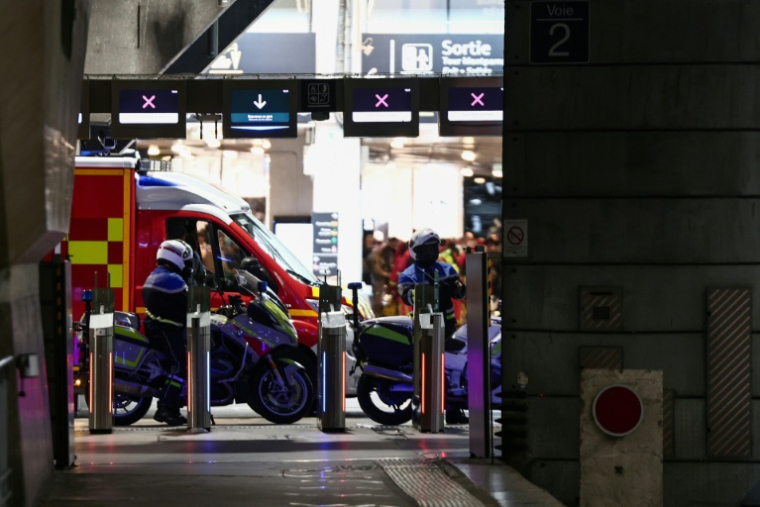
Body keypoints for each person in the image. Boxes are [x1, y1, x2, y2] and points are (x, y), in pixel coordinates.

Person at [397, 229, 468, 424]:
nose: (432, 252)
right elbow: (405, 294)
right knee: (423, 368)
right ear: (416, 251)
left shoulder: (447, 269)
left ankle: (453, 409)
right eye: (427, 248)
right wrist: (423, 290)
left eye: (434, 247)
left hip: (448, 327)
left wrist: (456, 287)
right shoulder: (408, 274)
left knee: (452, 369)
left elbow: (461, 293)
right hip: (423, 328)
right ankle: (421, 407)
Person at [142, 239, 194, 426]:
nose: (187, 267)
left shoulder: (158, 274)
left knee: (177, 364)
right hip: (167, 329)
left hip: (160, 328)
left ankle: (172, 407)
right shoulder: (171, 279)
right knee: (179, 365)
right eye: (186, 262)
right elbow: (190, 302)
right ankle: (165, 407)